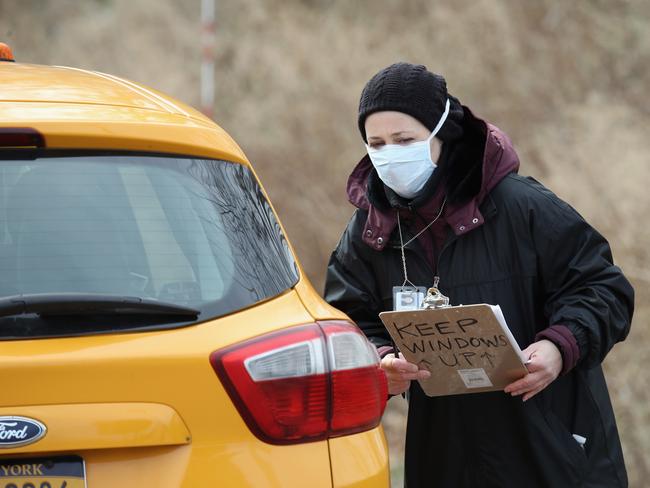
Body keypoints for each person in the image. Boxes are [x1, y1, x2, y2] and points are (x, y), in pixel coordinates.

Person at [324, 62, 634, 488]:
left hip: (552, 450)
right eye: (376, 143)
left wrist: (560, 347)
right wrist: (379, 362)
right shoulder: (368, 232)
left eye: (405, 140)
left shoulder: (522, 207)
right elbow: (342, 321)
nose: (390, 154)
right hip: (446, 459)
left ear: (441, 135)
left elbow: (603, 288)